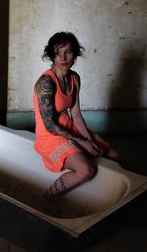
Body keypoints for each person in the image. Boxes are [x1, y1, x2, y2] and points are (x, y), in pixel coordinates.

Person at [33, 32, 122, 202]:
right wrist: (81, 142)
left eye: (68, 51)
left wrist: (89, 140)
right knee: (86, 170)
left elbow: (76, 115)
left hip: (69, 128)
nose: (63, 57)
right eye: (58, 53)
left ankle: (134, 196)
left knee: (115, 155)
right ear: (52, 56)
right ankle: (45, 200)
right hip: (50, 136)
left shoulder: (74, 78)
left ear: (75, 53)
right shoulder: (46, 83)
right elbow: (50, 125)